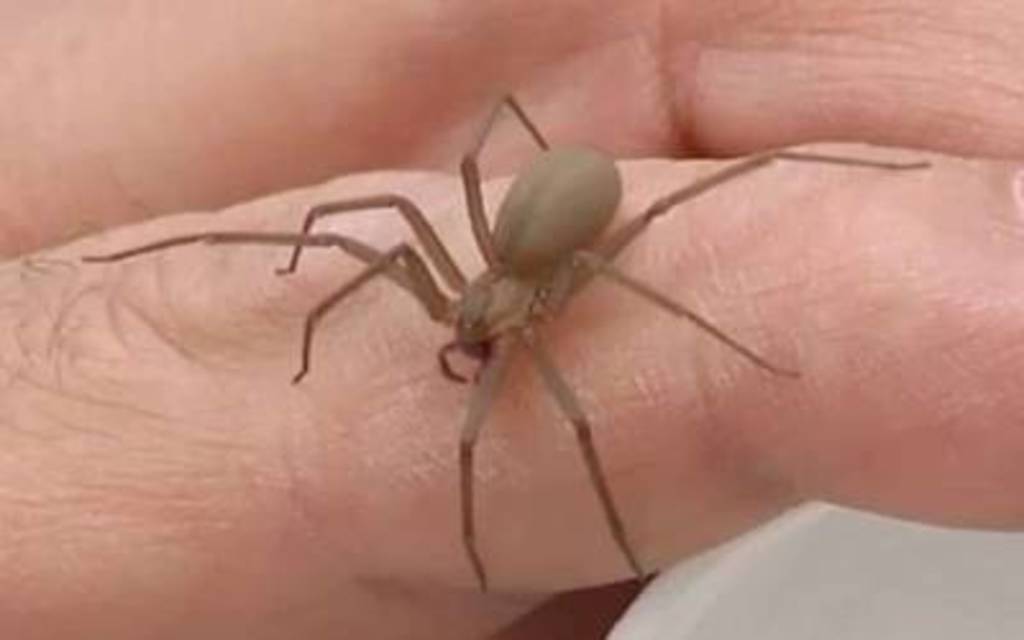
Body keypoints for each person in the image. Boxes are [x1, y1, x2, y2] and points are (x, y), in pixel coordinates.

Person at [2, 2, 1023, 638]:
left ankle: (615, 541)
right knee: (370, 237)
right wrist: (304, 322)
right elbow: (360, 234)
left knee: (565, 406)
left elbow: (573, 355)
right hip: (526, 235)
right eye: (466, 322)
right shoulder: (462, 285)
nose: (464, 334)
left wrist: (727, 340)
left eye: (474, 328)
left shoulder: (550, 296)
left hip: (562, 229)